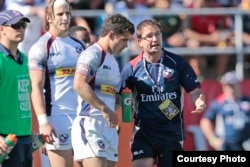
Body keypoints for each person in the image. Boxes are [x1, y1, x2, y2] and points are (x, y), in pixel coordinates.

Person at [117, 19, 206, 167]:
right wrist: (113, 114)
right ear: (140, 42)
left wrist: (199, 100)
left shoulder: (177, 62)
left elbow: (195, 91)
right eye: (149, 36)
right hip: (143, 131)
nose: (155, 39)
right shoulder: (131, 68)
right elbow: (118, 96)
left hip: (171, 131)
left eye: (157, 34)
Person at [71, 13, 134, 167]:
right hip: (91, 123)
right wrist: (104, 109)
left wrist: (120, 105)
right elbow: (79, 84)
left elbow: (111, 95)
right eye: (124, 40)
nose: (126, 45)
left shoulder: (113, 60)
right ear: (111, 35)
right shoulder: (92, 54)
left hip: (109, 128)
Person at [28, 0, 85, 167]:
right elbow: (36, 88)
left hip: (81, 118)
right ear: (49, 17)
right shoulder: (41, 47)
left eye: (67, 13)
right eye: (60, 14)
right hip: (57, 119)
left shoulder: (80, 46)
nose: (65, 17)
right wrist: (43, 123)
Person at [0, 9, 32, 166]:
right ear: (1, 29)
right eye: (16, 25)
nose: (21, 29)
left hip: (24, 136)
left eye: (23, 25)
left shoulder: (24, 59)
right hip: (5, 139)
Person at [200, 71, 250, 151]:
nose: (231, 88)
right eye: (228, 85)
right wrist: (213, 140)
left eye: (233, 85)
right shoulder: (219, 102)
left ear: (239, 85)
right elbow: (205, 121)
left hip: (246, 143)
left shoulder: (247, 100)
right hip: (227, 144)